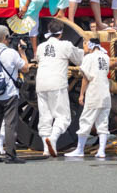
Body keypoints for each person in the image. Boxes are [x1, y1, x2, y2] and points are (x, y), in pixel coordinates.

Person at [34, 19, 84, 157]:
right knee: (63, 116)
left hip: (41, 83)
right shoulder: (66, 45)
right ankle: (53, 138)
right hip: (57, 83)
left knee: (45, 116)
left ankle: (47, 148)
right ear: (61, 34)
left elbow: (38, 58)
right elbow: (80, 59)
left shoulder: (41, 47)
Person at [0, 25, 28, 164]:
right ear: (5, 38)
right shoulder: (12, 53)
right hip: (9, 93)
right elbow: (25, 68)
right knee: (10, 124)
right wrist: (22, 52)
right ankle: (10, 155)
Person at [68, 38, 111, 159]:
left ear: (90, 46)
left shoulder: (89, 58)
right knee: (103, 122)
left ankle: (80, 149)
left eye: (86, 44)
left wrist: (81, 94)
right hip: (105, 93)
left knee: (86, 120)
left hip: (94, 92)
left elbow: (85, 78)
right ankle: (101, 150)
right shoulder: (105, 57)